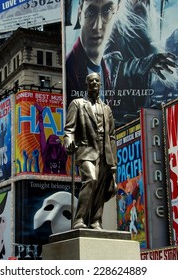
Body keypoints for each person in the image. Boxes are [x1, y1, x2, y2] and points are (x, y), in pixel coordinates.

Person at [64, 72, 117, 230]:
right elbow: (69, 129)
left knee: (100, 188)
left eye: (97, 80)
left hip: (104, 153)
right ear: (86, 85)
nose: (94, 83)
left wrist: (113, 160)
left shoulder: (106, 109)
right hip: (87, 150)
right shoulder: (78, 104)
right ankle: (79, 218)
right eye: (91, 81)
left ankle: (95, 221)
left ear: (100, 85)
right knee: (91, 180)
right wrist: (69, 141)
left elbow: (112, 136)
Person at [66, 0, 120, 101]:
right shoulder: (69, 70)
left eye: (107, 11)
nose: (97, 26)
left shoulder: (106, 72)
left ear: (117, 11)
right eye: (91, 12)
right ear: (79, 12)